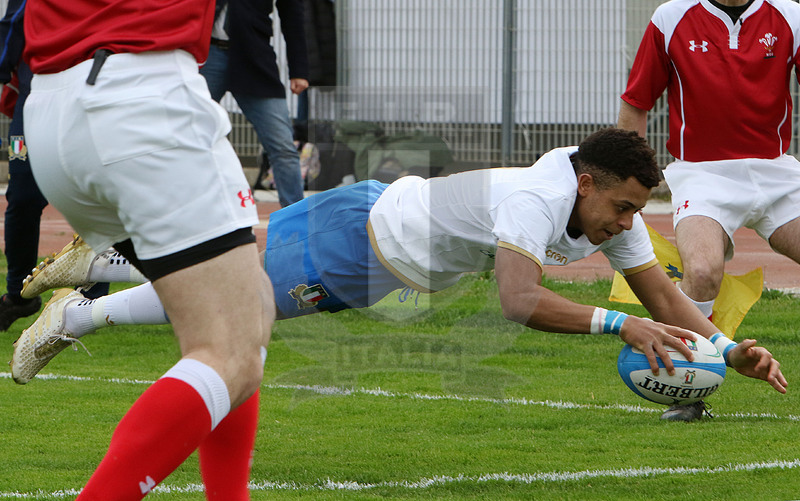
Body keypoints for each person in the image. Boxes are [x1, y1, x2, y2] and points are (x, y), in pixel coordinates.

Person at [12, 129, 787, 410]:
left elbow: (659, 290)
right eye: (622, 207)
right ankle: (77, 312)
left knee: (232, 252)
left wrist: (726, 350)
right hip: (366, 254)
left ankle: (101, 262)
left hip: (379, 213)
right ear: (587, 184)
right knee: (236, 311)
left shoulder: (594, 198)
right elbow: (517, 300)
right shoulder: (537, 198)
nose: (627, 225)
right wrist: (622, 323)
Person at [17, 1, 275, 499]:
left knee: (250, 308)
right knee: (230, 349)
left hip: (50, 104)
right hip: (140, 91)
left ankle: (91, 273)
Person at [617, 0, 800, 421]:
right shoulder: (670, 17)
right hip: (702, 174)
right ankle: (686, 390)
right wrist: (629, 179)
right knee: (701, 271)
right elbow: (636, 102)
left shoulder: (789, 15)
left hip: (777, 172)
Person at [0, 0, 114, 332]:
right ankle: (19, 294)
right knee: (22, 195)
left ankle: (92, 292)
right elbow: (14, 20)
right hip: (34, 92)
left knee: (94, 186)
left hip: (89, 87)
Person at [202, 0, 308, 207]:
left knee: (282, 145)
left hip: (254, 56)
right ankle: (188, 210)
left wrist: (299, 70)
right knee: (185, 135)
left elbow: (293, 15)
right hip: (206, 54)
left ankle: (295, 217)